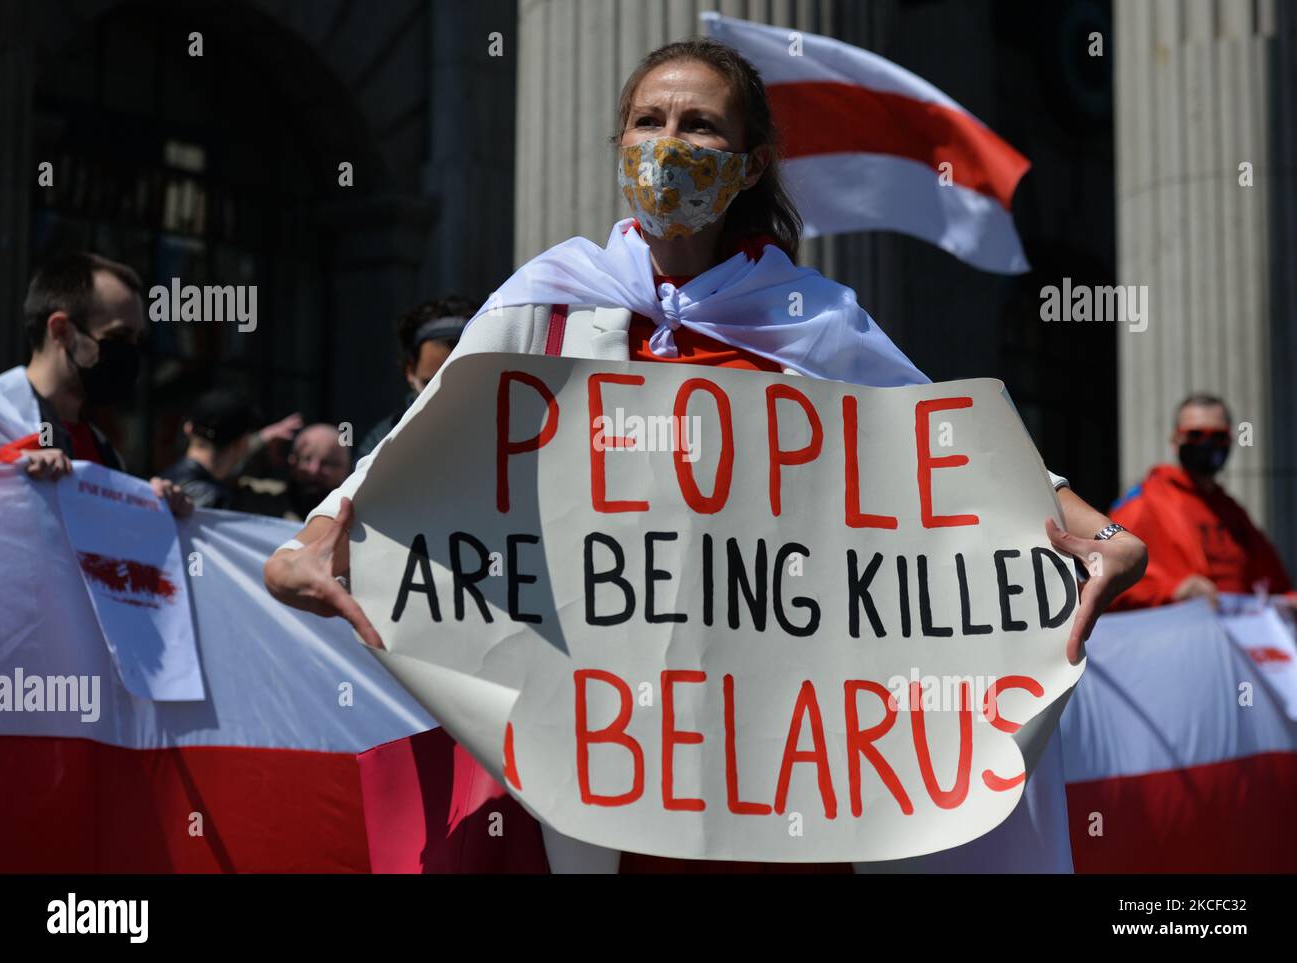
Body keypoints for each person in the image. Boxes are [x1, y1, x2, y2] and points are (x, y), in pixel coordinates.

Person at [265, 38, 1148, 871]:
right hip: (591, 741)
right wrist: (311, 542)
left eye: (699, 126)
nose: (668, 144)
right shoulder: (546, 300)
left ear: (751, 161)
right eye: (649, 121)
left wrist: (1100, 531)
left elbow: (952, 458)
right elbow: (410, 463)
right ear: (620, 142)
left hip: (766, 767)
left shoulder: (813, 320)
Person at [0, 252, 190, 514]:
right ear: (61, 331)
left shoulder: (104, 451)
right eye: (118, 335)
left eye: (137, 340)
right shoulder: (3, 415)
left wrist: (151, 505)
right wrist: (9, 469)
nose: (131, 351)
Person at [1108, 393, 1294, 610]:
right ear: (1176, 440)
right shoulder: (1144, 504)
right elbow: (1105, 579)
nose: (1207, 443)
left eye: (1218, 436)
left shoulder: (1232, 511)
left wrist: (1289, 600)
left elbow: (1275, 583)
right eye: (1195, 434)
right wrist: (1173, 590)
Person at [356, 297, 476, 461]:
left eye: (461, 383)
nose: (445, 397)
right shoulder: (380, 443)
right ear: (410, 371)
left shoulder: (509, 431)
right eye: (430, 384)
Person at [158, 389, 302, 510]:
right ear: (241, 443)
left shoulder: (164, 484)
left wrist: (262, 439)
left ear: (188, 429)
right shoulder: (215, 500)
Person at [236, 423, 352, 521]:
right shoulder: (262, 499)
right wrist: (259, 442)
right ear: (292, 461)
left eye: (327, 463)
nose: (313, 470)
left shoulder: (355, 516)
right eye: (306, 459)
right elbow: (221, 477)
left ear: (346, 470)